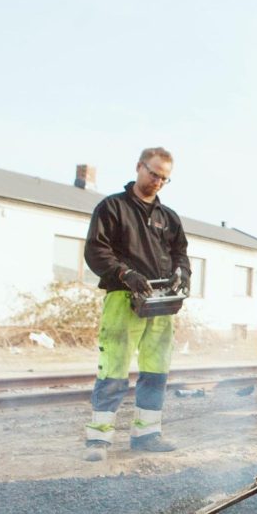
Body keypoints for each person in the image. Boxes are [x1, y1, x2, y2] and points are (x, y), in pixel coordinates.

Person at [81, 147, 191, 462]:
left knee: (156, 370)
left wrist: (184, 274)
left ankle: (147, 434)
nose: (157, 181)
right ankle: (99, 440)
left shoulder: (168, 218)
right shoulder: (112, 208)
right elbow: (96, 250)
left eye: (164, 178)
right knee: (113, 368)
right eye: (153, 173)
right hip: (123, 297)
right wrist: (125, 273)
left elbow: (180, 252)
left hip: (160, 302)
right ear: (139, 167)